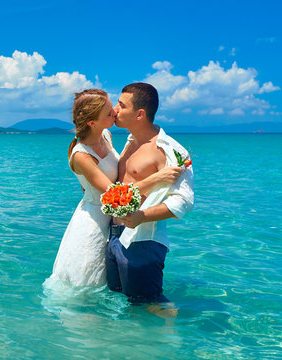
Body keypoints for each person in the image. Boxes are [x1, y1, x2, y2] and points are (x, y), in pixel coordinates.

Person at [44, 89, 183, 288]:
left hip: (113, 223)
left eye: (115, 107)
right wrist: (157, 178)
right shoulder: (82, 155)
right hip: (94, 221)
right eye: (109, 112)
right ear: (92, 123)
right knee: (88, 284)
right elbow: (113, 195)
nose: (115, 112)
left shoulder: (106, 135)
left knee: (113, 287)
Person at [107, 83, 194, 307]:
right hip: (115, 235)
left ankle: (172, 340)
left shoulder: (171, 150)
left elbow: (183, 202)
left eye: (121, 105)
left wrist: (141, 216)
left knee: (152, 306)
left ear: (139, 114)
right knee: (122, 302)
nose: (115, 109)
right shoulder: (130, 142)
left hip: (142, 239)